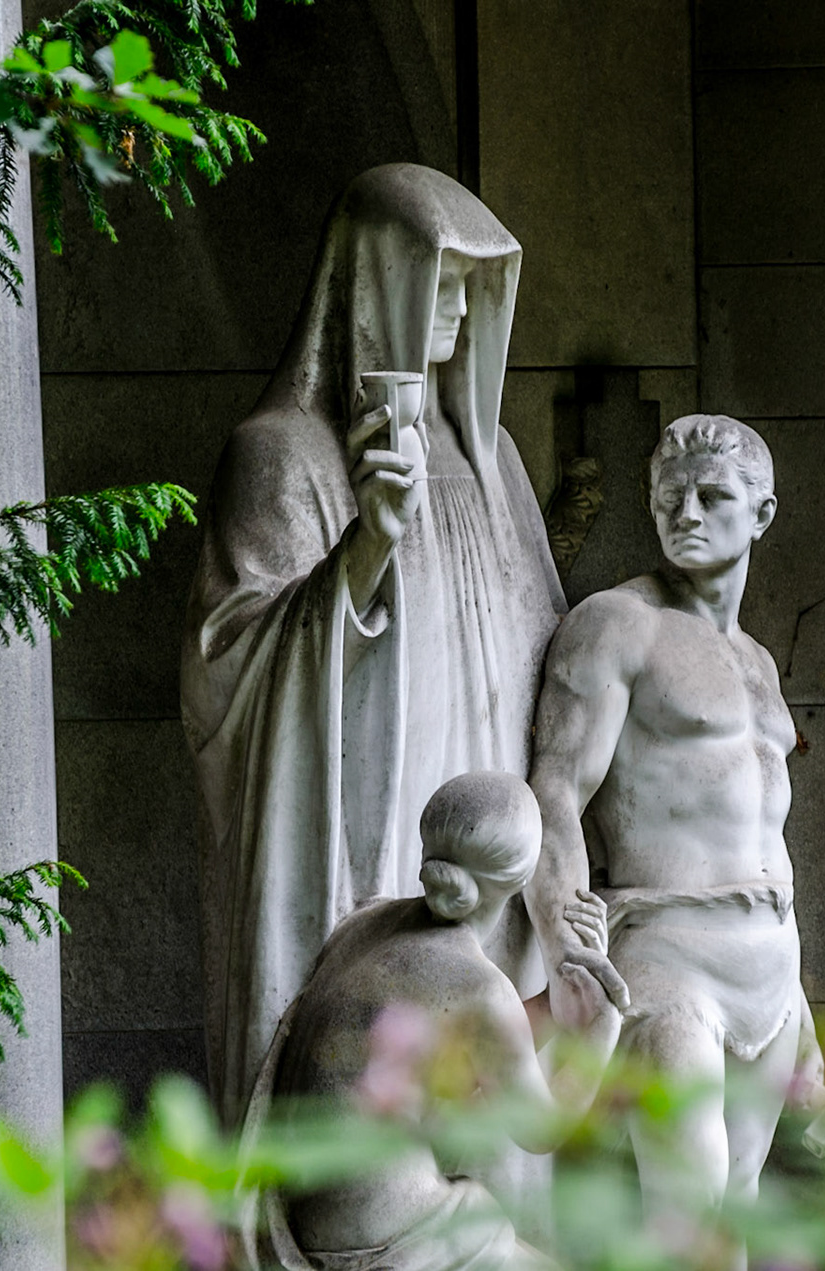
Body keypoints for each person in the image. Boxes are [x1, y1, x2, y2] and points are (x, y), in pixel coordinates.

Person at [182, 165, 565, 1125]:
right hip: (370, 828)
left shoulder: (496, 465)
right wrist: (369, 546)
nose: (457, 306)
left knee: (492, 1107)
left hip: (491, 813)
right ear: (371, 283)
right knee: (376, 1097)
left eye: (471, 284)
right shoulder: (284, 454)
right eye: (437, 278)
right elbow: (230, 671)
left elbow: (545, 653)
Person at [524, 414, 824, 1229]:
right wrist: (565, 942)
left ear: (761, 513)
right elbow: (556, 789)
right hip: (667, 955)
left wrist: (801, 1009)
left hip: (771, 960)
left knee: (739, 1209)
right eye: (668, 498)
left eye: (712, 495)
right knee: (688, 1202)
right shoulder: (619, 624)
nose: (685, 513)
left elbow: (761, 837)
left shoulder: (758, 662)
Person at [251, 772, 628, 1271]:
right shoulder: (480, 988)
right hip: (383, 1233)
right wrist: (602, 1028)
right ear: (520, 879)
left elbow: (472, 1055)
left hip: (306, 1213)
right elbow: (542, 1132)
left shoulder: (367, 921)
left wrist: (557, 1001)